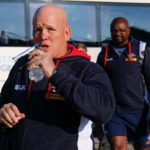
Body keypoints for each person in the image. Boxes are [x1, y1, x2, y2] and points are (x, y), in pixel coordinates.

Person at [0, 4, 115, 150]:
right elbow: (3, 101)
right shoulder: (22, 65)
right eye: (38, 29)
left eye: (50, 29)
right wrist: (3, 112)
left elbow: (104, 111)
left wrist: (55, 74)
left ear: (66, 33)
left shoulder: (87, 69)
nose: (43, 36)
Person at [97, 17, 150, 150]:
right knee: (118, 146)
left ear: (128, 31)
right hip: (115, 112)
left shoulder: (140, 49)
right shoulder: (104, 54)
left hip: (138, 111)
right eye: (115, 31)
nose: (118, 34)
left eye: (122, 30)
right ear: (110, 32)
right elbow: (98, 84)